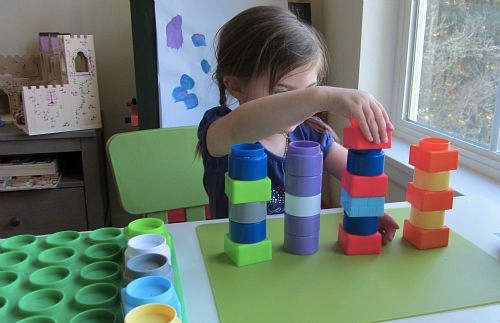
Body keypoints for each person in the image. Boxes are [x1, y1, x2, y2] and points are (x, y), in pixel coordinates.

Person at [197, 5, 399, 244]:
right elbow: (239, 127)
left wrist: (366, 211)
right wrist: (320, 97)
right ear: (236, 86)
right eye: (284, 94)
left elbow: (356, 173)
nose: (303, 109)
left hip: (297, 252)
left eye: (309, 91)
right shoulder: (221, 129)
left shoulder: (310, 134)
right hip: (237, 256)